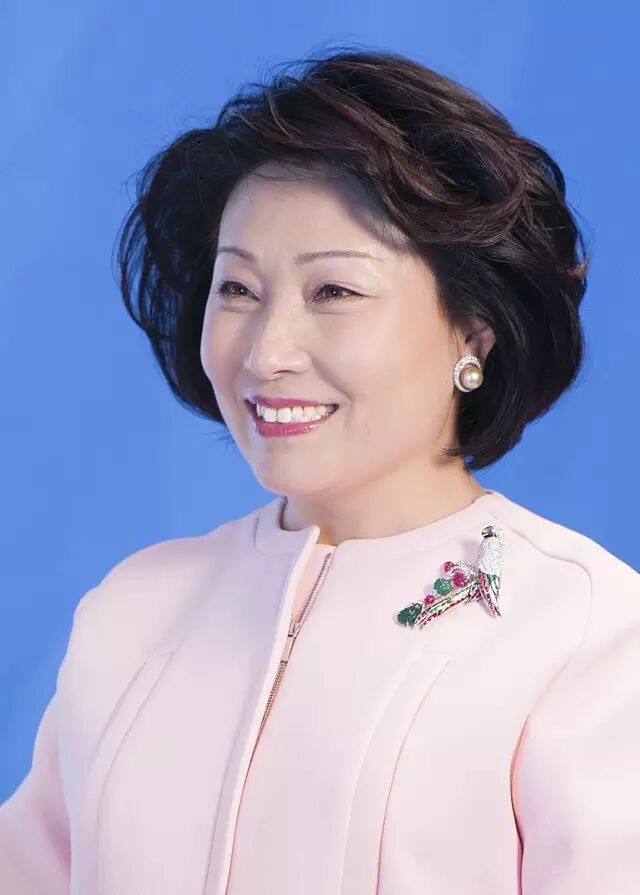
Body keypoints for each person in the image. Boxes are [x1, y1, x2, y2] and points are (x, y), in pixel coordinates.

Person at [1, 45, 639, 895]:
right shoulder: (134, 610)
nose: (267, 352)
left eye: (333, 291)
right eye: (237, 288)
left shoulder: (585, 633)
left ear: (473, 330)